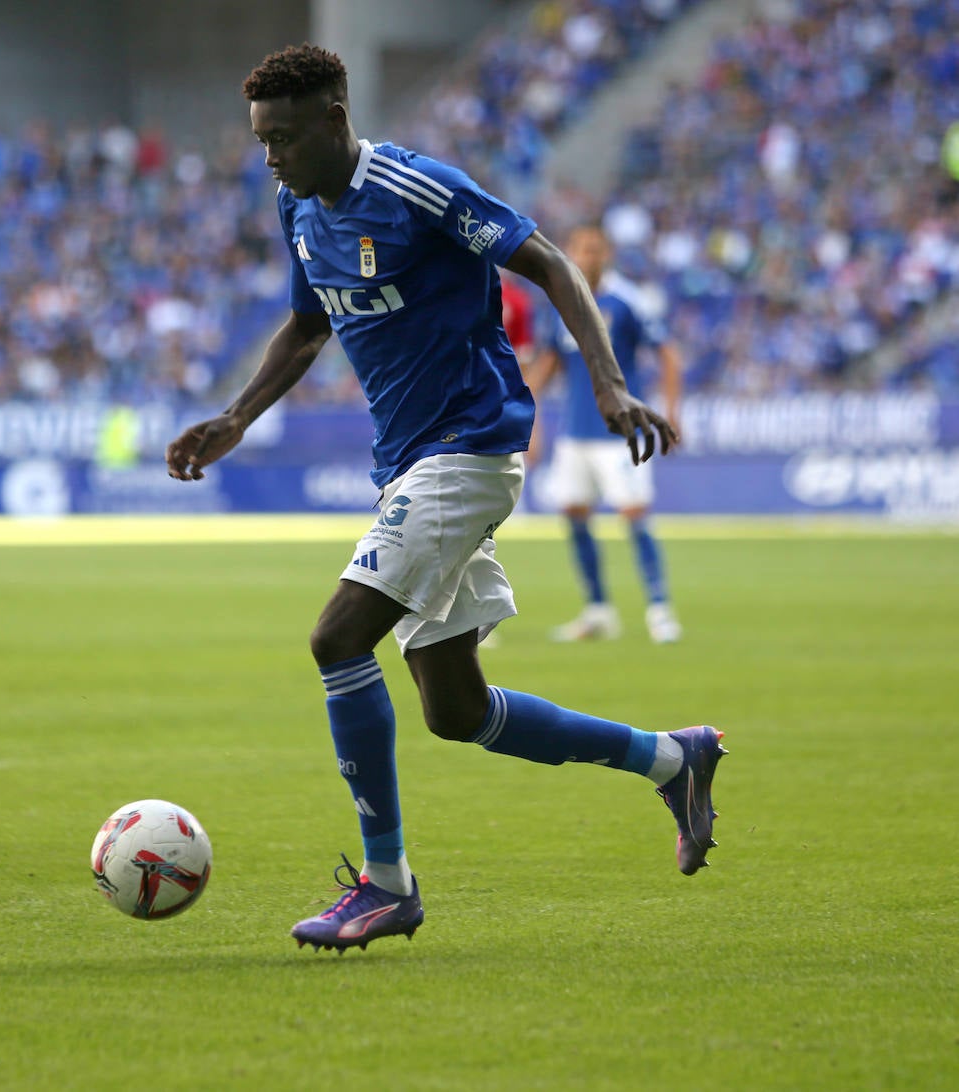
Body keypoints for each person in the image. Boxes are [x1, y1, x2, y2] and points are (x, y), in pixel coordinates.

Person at [165, 45, 725, 953]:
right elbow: (309, 324)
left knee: (337, 637)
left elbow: (546, 261)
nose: (271, 157)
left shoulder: (419, 188)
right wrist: (235, 417)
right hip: (411, 465)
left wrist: (609, 383)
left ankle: (386, 885)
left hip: (468, 449)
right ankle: (672, 757)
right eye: (263, 141)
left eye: (286, 137)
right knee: (455, 710)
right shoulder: (297, 204)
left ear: (336, 117)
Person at [526, 224, 683, 643]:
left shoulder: (628, 301)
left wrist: (671, 413)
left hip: (619, 432)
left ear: (607, 253)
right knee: (574, 514)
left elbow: (668, 354)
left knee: (634, 514)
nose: (588, 256)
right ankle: (598, 610)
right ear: (571, 252)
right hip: (575, 432)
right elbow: (547, 366)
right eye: (580, 249)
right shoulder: (562, 299)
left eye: (595, 249)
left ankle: (660, 609)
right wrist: (530, 418)